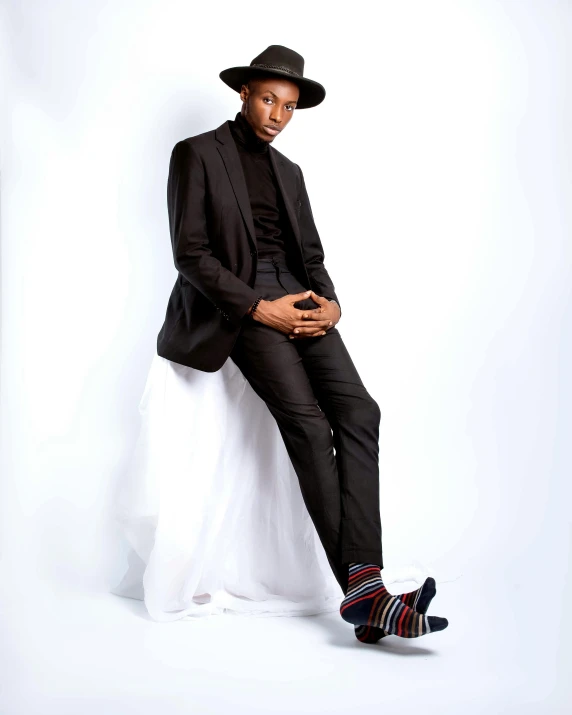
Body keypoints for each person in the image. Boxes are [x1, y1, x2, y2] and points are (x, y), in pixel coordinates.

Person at [157, 45, 448, 641]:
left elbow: (311, 257)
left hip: (302, 299)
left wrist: (332, 304)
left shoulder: (290, 173)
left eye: (288, 107)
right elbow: (190, 253)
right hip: (240, 306)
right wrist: (259, 306)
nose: (276, 115)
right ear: (244, 94)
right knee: (311, 427)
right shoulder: (197, 154)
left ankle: (365, 588)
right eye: (268, 100)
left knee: (361, 411)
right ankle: (367, 592)